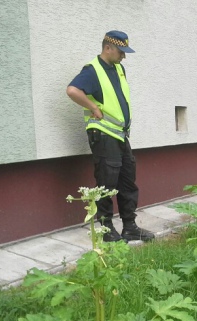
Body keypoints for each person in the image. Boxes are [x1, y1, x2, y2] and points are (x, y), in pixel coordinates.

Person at [66, 30, 155, 243]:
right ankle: (106, 230)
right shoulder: (92, 70)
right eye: (121, 51)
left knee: (127, 181)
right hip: (103, 135)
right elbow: (72, 90)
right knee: (107, 183)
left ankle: (130, 227)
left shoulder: (118, 69)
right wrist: (93, 107)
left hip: (120, 135)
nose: (124, 56)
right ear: (108, 47)